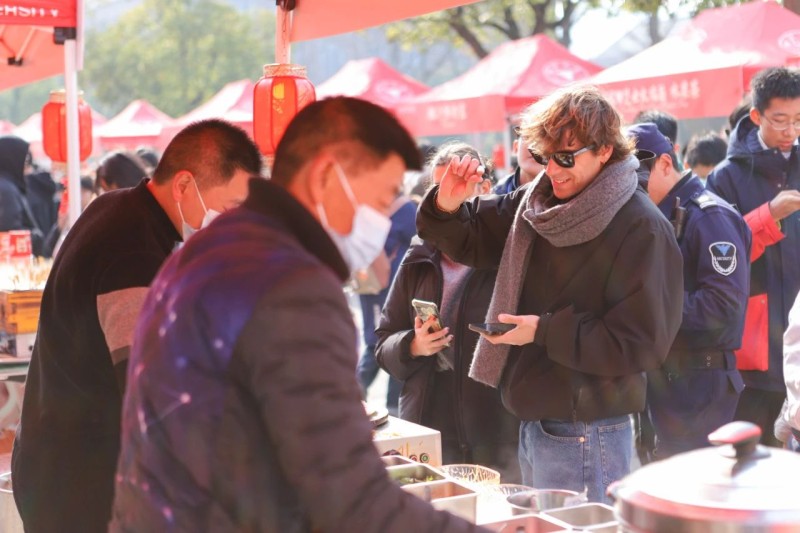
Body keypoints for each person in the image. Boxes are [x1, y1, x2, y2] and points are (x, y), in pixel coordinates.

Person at [110, 97, 484, 532]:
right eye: (382, 198)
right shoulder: (292, 284)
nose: (384, 219)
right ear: (326, 176)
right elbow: (348, 498)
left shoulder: (212, 246)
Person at [416, 85, 683, 504]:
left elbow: (642, 343)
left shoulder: (642, 225)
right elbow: (472, 237)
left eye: (566, 157)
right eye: (545, 157)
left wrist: (542, 331)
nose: (553, 169)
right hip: (536, 418)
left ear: (605, 151)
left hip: (590, 426)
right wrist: (446, 206)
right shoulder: (536, 200)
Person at [12, 119, 263, 533]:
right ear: (184, 185)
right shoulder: (131, 253)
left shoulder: (119, 207)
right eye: (230, 207)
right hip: (81, 486)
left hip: (57, 457)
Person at [376, 141, 520, 482]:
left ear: (486, 189)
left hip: (495, 425)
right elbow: (383, 342)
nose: (450, 197)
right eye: (440, 189)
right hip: (430, 418)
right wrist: (413, 345)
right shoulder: (419, 256)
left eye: (461, 186)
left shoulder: (509, 253)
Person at [628, 122, 750, 458]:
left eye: (635, 179)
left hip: (700, 383)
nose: (628, 190)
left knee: (693, 482)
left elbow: (723, 306)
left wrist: (646, 309)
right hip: (669, 378)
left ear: (665, 164)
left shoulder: (710, 217)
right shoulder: (657, 215)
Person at [706, 67, 800, 447]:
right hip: (754, 347)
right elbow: (717, 256)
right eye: (780, 120)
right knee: (752, 457)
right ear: (757, 115)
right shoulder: (726, 177)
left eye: (798, 120)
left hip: (797, 343)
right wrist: (768, 215)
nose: (790, 130)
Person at [356, 189, 417, 415]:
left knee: (379, 341)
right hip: (388, 285)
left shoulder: (367, 208)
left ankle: (358, 395)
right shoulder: (405, 208)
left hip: (372, 284)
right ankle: (363, 396)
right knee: (386, 341)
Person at [0, 136, 46, 255]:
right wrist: (36, 236)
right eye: (24, 159)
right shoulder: (7, 190)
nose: (26, 164)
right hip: (12, 260)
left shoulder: (7, 186)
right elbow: (10, 233)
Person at [493, 127, 544, 194]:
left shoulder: (558, 196)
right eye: (528, 137)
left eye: (543, 138)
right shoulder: (498, 194)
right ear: (516, 147)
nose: (535, 147)